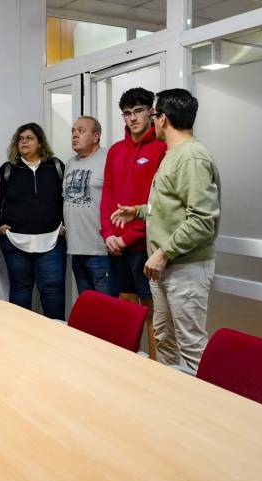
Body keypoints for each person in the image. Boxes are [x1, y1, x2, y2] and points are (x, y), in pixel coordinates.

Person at [112, 88, 221, 371]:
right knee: (164, 340)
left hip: (184, 266)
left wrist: (163, 253)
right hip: (165, 266)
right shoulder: (174, 154)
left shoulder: (192, 157)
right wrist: (138, 211)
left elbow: (202, 220)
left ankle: (199, 400)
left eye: (153, 114)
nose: (151, 120)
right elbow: (171, 207)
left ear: (163, 119)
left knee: (191, 346)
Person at [99, 87, 167, 358]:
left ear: (151, 112)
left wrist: (128, 238)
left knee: (152, 313)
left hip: (145, 245)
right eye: (127, 113)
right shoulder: (116, 151)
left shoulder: (162, 148)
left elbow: (160, 205)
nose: (133, 118)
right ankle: (125, 365)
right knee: (125, 311)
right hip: (115, 245)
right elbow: (107, 197)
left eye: (139, 111)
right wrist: (108, 234)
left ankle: (154, 369)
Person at [0, 123, 66, 320]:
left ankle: (55, 335)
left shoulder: (56, 167)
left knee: (53, 293)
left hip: (52, 242)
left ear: (40, 142)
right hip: (15, 243)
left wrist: (65, 225)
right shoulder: (8, 169)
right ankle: (20, 335)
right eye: (20, 139)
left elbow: (67, 199)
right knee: (20, 291)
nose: (24, 142)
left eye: (29, 138)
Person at [63, 116, 114, 296]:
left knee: (108, 307)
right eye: (73, 131)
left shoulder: (109, 158)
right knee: (88, 306)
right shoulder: (70, 163)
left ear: (96, 136)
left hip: (101, 250)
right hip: (76, 249)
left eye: (81, 131)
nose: (75, 135)